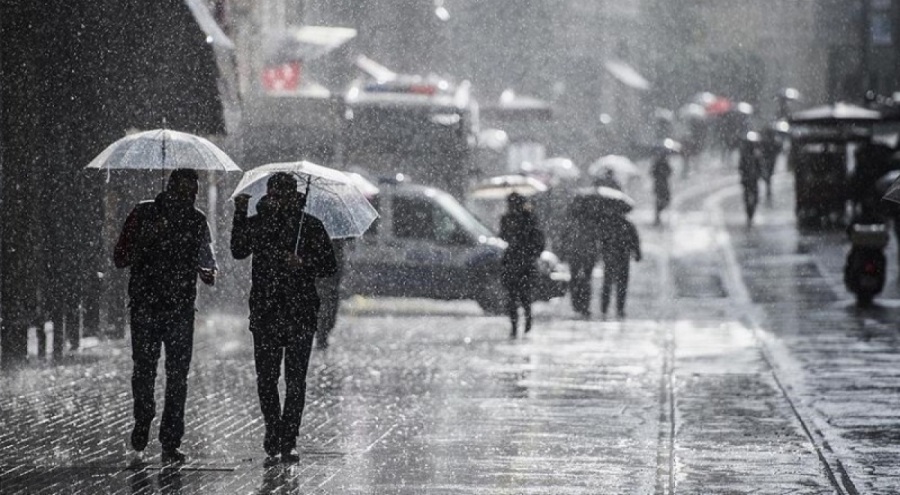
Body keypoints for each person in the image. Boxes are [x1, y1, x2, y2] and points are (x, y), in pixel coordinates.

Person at [231, 173, 337, 463]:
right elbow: (238, 250)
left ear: (294, 196)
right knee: (267, 378)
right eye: (273, 195)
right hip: (266, 310)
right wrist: (240, 213)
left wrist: (302, 263)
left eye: (283, 195)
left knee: (295, 380)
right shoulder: (259, 222)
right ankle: (273, 429)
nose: (277, 201)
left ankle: (289, 437)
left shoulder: (310, 226)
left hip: (300, 311)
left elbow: (329, 265)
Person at [113, 169, 217, 465]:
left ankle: (171, 440)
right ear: (169, 189)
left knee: (178, 377)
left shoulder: (197, 221)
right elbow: (120, 257)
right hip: (146, 306)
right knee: (144, 370)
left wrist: (208, 273)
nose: (188, 199)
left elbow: (207, 261)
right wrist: (147, 237)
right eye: (183, 192)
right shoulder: (143, 213)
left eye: (193, 194)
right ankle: (143, 418)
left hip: (181, 309)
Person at [498, 193, 545, 338]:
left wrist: (529, 252)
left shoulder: (529, 218)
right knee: (512, 297)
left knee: (523, 296)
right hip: (512, 261)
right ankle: (514, 326)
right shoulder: (507, 218)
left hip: (524, 263)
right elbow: (502, 236)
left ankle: (527, 320)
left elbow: (538, 241)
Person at [563, 195, 602, 317]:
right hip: (586, 254)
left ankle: (577, 304)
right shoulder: (592, 221)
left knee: (575, 279)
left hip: (575, 254)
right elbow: (596, 239)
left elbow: (565, 238)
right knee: (585, 280)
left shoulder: (572, 220)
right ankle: (584, 305)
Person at [599, 213, 641, 319]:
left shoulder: (608, 224)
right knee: (621, 284)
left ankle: (604, 308)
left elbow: (602, 241)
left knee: (607, 283)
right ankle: (620, 309)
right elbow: (634, 241)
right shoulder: (628, 225)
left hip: (610, 258)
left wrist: (603, 252)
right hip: (623, 258)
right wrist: (637, 253)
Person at [315, 238, 347, 350]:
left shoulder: (338, 245)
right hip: (324, 283)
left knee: (329, 311)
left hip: (331, 284)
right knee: (326, 309)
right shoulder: (318, 242)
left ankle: (322, 333)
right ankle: (321, 334)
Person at [738, 134, 762, 226]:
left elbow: (759, 166)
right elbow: (741, 167)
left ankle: (750, 213)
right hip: (747, 180)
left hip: (753, 180)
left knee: (754, 197)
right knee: (748, 197)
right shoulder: (745, 154)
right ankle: (749, 213)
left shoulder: (756, 154)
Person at [651, 152, 672, 226]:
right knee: (660, 201)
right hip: (659, 185)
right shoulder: (657, 164)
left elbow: (670, 172)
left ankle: (658, 215)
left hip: (663, 185)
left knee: (664, 200)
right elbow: (652, 173)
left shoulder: (664, 163)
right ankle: (658, 216)